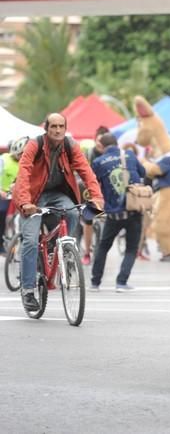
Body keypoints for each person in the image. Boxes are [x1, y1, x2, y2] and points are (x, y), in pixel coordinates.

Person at [13, 113, 104, 312]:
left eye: (61, 126)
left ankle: (60, 248)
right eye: (53, 126)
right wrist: (26, 203)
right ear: (46, 128)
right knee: (29, 240)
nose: (57, 130)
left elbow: (86, 172)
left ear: (65, 128)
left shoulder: (71, 146)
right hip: (33, 196)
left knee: (72, 212)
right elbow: (23, 174)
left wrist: (97, 198)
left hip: (56, 193)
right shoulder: (34, 145)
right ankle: (28, 289)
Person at [89, 133, 146, 292]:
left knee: (103, 246)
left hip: (113, 213)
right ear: (116, 143)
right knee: (131, 248)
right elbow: (143, 173)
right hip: (134, 209)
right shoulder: (130, 155)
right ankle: (121, 282)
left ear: (101, 146)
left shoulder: (98, 162)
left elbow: (93, 182)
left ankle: (95, 282)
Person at [80, 125, 110, 265]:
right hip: (91, 191)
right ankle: (87, 252)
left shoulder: (111, 155)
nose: (100, 143)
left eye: (103, 141)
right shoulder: (89, 154)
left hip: (108, 192)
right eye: (98, 140)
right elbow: (81, 172)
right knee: (88, 218)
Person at [0, 137, 28, 254]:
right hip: (2, 192)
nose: (21, 157)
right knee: (1, 212)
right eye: (19, 154)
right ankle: (1, 242)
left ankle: (14, 239)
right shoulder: (3, 159)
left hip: (14, 194)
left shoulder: (24, 163)